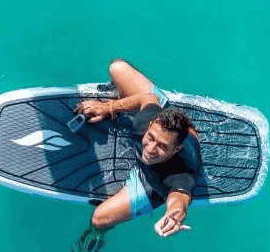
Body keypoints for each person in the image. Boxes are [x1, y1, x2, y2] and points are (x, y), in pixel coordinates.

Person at [72, 59, 202, 251]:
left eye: (162, 146)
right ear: (150, 125)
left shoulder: (180, 175)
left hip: (151, 183)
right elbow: (147, 99)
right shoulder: (147, 122)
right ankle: (171, 121)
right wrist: (108, 108)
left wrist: (174, 216)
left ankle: (97, 236)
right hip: (175, 125)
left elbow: (179, 199)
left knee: (99, 219)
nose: (150, 149)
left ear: (176, 149)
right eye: (150, 137)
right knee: (117, 68)